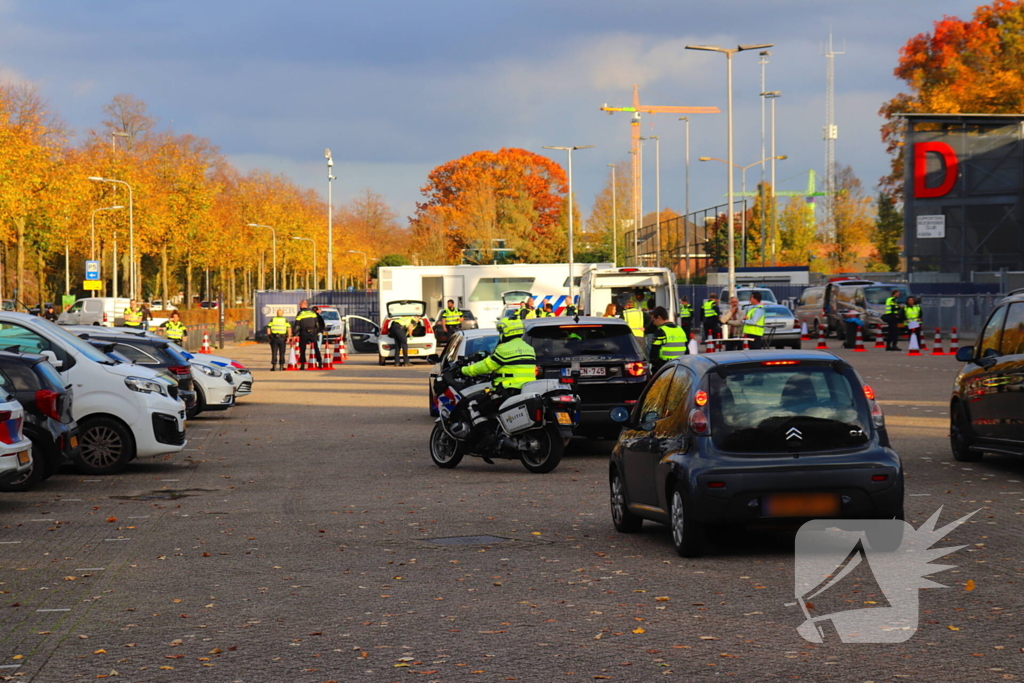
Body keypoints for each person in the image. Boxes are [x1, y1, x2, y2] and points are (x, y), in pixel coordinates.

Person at [461, 317, 538, 392]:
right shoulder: (529, 348)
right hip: (527, 389)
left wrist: (465, 370)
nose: (500, 333)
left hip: (508, 389)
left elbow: (486, 366)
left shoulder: (504, 349)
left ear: (507, 331)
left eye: (501, 331)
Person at [649, 306, 688, 372]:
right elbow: (687, 350)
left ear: (659, 318)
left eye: (654, 320)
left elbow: (654, 353)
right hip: (680, 366)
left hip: (666, 367)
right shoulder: (680, 329)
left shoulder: (661, 331)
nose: (654, 323)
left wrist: (654, 366)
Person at [293, 299, 323, 369]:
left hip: (304, 333)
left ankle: (302, 365)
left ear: (304, 305)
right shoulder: (313, 313)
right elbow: (317, 324)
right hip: (312, 333)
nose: (299, 306)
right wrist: (316, 333)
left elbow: (297, 325)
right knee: (316, 348)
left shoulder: (300, 313)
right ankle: (320, 363)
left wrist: (295, 334)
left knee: (302, 349)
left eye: (300, 304)